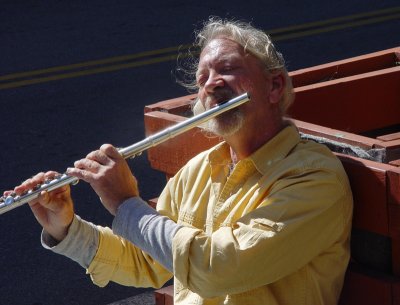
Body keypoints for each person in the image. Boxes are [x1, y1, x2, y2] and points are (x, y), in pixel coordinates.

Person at [8, 17, 353, 305]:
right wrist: (65, 226)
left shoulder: (313, 176)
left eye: (228, 69)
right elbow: (146, 260)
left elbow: (219, 269)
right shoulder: (201, 169)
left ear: (274, 86)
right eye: (203, 79)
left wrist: (126, 203)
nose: (212, 84)